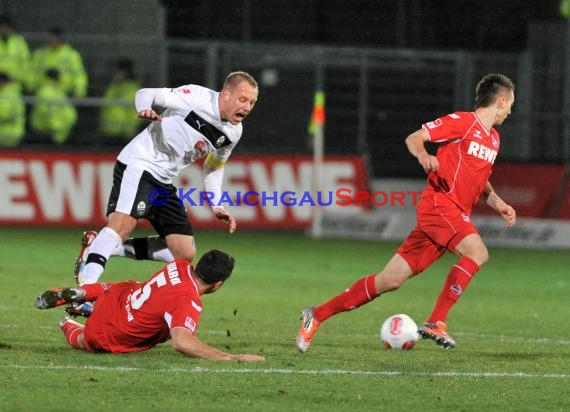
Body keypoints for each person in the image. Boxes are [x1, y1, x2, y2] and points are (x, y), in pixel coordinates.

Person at [296, 73, 517, 352]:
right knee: (478, 253)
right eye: (510, 104)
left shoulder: (493, 140)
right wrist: (423, 154)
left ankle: (316, 314)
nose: (510, 110)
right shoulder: (463, 122)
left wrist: (498, 202)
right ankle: (436, 321)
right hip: (441, 204)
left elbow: (479, 177)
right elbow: (415, 137)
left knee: (390, 280)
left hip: (452, 214)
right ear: (500, 101)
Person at [75, 71, 258, 289]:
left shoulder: (234, 132)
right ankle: (84, 291)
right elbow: (146, 93)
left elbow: (214, 166)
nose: (247, 107)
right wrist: (144, 108)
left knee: (183, 252)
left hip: (162, 180)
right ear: (226, 94)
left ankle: (102, 247)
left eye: (252, 102)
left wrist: (217, 204)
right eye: (243, 99)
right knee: (121, 226)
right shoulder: (196, 97)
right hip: (140, 163)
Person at [35, 249, 265, 362]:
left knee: (123, 287)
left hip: (120, 298)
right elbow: (182, 342)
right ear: (218, 285)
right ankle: (67, 323)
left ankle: (85, 294)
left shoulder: (179, 265)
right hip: (115, 330)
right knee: (87, 340)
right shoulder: (188, 301)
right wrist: (229, 357)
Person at [28, 27, 88, 97]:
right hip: (42, 92)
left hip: (64, 93)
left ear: (61, 39)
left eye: (56, 38)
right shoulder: (40, 54)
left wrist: (79, 91)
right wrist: (30, 87)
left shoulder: (71, 55)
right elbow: (31, 72)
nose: (53, 40)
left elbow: (79, 74)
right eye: (51, 38)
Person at [29, 68, 78, 144]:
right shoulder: (44, 92)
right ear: (56, 78)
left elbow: (67, 110)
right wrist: (58, 128)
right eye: (60, 76)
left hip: (58, 132)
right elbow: (46, 113)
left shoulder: (58, 91)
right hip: (47, 133)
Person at [100, 57, 143, 140]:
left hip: (124, 135)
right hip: (108, 132)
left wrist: (129, 131)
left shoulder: (133, 89)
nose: (116, 74)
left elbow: (135, 112)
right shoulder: (112, 87)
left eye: (119, 71)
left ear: (126, 72)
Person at [0, 14, 31, 88]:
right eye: (2, 26)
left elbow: (26, 64)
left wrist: (13, 78)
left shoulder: (19, 42)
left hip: (15, 84)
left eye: (7, 26)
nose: (4, 29)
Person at [0, 72, 25, 147]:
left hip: (7, 133)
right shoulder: (13, 93)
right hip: (12, 131)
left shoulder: (7, 95)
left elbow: (4, 115)